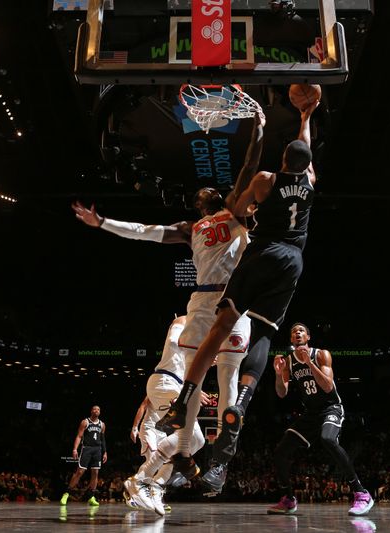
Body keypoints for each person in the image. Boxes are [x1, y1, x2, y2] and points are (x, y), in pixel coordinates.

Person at [72, 110, 266, 480]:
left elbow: (144, 231)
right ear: (219, 201)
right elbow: (249, 167)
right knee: (227, 379)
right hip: (234, 306)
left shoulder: (190, 228)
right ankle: (220, 460)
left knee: (193, 376)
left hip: (202, 305)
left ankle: (187, 441)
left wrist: (103, 224)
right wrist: (259, 127)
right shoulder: (235, 215)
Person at [157, 102, 320, 488]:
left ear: (283, 158)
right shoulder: (311, 181)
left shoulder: (266, 180)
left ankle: (184, 401)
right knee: (262, 335)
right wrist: (306, 117)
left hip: (262, 254)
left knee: (221, 327)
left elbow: (245, 203)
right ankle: (238, 413)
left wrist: (245, 209)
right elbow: (305, 151)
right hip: (293, 262)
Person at [266, 323, 373, 516]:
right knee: (280, 451)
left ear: (308, 337)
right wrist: (277, 373)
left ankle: (361, 493)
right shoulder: (289, 361)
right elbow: (282, 393)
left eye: (301, 331)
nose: (297, 333)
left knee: (328, 439)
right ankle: (288, 499)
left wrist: (309, 364)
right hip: (311, 413)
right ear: (291, 339)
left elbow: (327, 386)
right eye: (293, 332)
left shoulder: (321, 354)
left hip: (331, 408)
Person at [124, 316, 207, 516]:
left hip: (176, 385)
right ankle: (140, 481)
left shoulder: (198, 338)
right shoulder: (184, 321)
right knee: (191, 436)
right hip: (164, 382)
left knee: (197, 440)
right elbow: (172, 341)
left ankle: (156, 485)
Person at [61, 405, 107, 506]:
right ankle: (67, 493)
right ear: (91, 411)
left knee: (95, 472)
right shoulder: (85, 422)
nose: (96, 410)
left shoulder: (102, 424)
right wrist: (74, 449)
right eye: (95, 409)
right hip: (86, 448)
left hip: (97, 450)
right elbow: (79, 436)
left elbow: (102, 439)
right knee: (80, 471)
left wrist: (105, 452)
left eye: (98, 409)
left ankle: (91, 496)